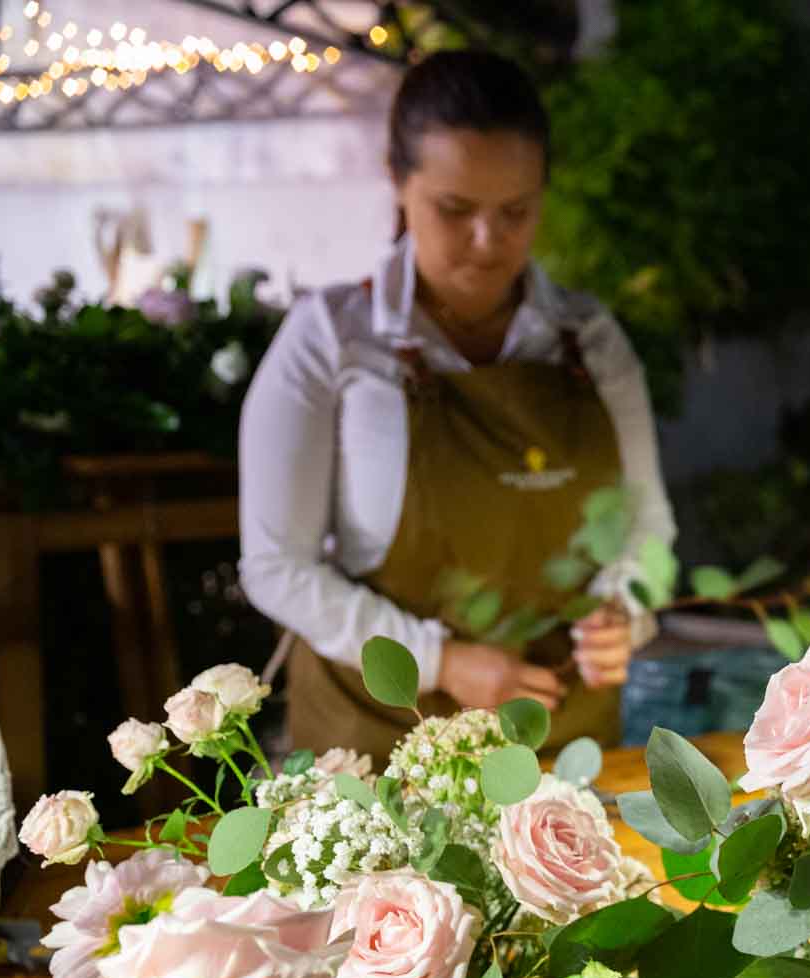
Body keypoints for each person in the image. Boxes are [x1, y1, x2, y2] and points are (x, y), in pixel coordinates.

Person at [239, 50, 672, 759]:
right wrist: (441, 663)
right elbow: (275, 567)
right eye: (455, 209)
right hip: (377, 746)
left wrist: (626, 608)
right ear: (398, 182)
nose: (486, 242)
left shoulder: (591, 343)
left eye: (516, 212)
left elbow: (646, 527)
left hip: (561, 746)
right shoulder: (333, 339)